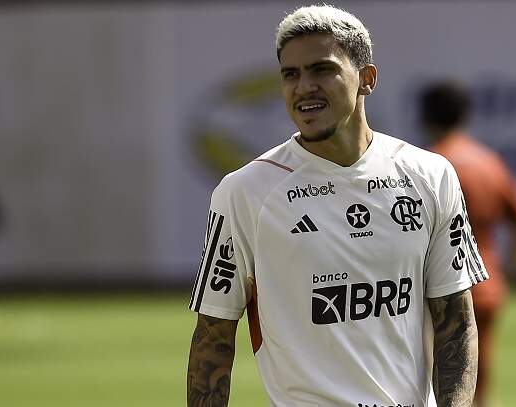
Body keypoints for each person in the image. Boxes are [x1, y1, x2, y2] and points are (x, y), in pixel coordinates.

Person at [187, 5, 489, 407]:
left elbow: (456, 323)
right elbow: (213, 339)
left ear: (367, 78)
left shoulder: (430, 175)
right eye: (290, 75)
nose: (304, 86)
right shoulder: (244, 192)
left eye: (321, 69)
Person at [421, 80, 516, 407]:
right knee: (476, 385)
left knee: (430, 386)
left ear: (425, 118)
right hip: (486, 284)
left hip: (439, 289)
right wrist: (508, 273)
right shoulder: (488, 161)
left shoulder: (427, 165)